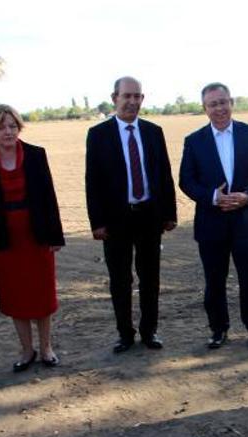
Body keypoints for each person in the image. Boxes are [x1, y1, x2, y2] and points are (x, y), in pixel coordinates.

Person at [0, 104, 65, 372]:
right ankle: (26, 350)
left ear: (19, 127)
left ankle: (46, 348)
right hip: (4, 240)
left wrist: (56, 235)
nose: (8, 131)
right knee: (15, 296)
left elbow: (49, 198)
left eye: (13, 125)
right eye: (1, 126)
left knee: (42, 294)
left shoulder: (36, 155)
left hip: (37, 236)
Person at [85, 76, 177, 353]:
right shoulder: (98, 134)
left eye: (137, 96)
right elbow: (93, 180)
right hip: (116, 221)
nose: (132, 102)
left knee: (150, 278)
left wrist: (169, 213)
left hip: (149, 216)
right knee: (120, 280)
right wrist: (97, 222)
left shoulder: (153, 131)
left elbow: (164, 175)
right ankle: (125, 334)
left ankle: (150, 331)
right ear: (115, 98)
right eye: (127, 96)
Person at [179, 83, 248, 349]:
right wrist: (212, 196)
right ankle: (218, 330)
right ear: (204, 109)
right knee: (214, 282)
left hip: (247, 221)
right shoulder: (194, 141)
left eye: (223, 102)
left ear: (231, 102)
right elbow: (186, 180)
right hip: (212, 223)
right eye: (213, 104)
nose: (219, 108)